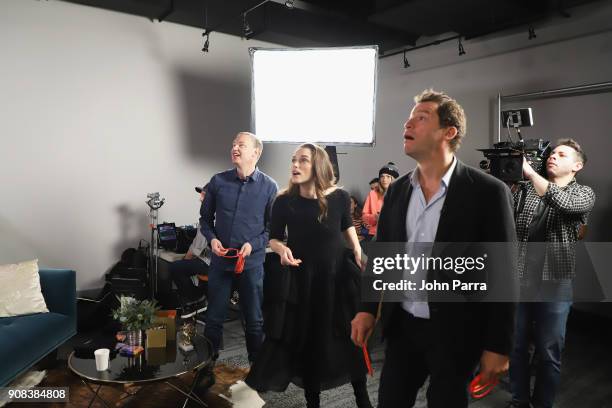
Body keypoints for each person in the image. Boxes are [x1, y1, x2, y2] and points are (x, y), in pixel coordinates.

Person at [351, 89, 517, 408]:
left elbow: (504, 274)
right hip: (402, 329)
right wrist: (367, 309)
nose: (408, 123)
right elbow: (381, 259)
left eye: (421, 117)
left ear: (448, 132)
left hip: (456, 333)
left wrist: (499, 346)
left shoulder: (487, 192)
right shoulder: (398, 190)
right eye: (410, 117)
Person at [245, 143, 372, 408]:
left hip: (337, 278)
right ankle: (312, 400)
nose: (295, 165)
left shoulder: (339, 197)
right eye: (293, 160)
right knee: (310, 342)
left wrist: (359, 251)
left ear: (318, 166)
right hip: (304, 280)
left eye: (303, 160)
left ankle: (362, 397)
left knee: (348, 339)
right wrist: (281, 250)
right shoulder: (283, 201)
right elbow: (275, 238)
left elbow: (347, 226)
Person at [508, 139, 595, 408]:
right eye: (552, 153)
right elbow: (505, 214)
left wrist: (530, 173)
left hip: (556, 283)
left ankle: (543, 404)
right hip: (521, 279)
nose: (552, 157)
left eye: (562, 154)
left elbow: (563, 203)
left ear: (577, 165)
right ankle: (519, 401)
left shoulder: (584, 193)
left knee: (549, 352)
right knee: (517, 347)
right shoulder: (526, 189)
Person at [200, 132, 278, 362]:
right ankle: (207, 369)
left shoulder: (269, 187)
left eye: (241, 145)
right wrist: (212, 240)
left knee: (254, 320)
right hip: (220, 263)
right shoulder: (217, 181)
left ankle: (257, 371)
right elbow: (205, 219)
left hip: (251, 264)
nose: (234, 148)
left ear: (256, 152)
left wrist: (251, 245)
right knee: (213, 318)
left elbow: (272, 230)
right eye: (233, 144)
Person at [170, 184, 211, 318]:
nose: (200, 199)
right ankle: (197, 299)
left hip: (211, 263)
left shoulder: (210, 216)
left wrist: (187, 257)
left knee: (176, 268)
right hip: (218, 263)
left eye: (203, 195)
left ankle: (197, 299)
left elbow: (198, 245)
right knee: (184, 266)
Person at [362, 163, 399, 240]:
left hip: (395, 233)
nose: (384, 179)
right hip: (375, 233)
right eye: (382, 176)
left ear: (394, 178)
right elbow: (364, 216)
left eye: (388, 176)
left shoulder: (401, 193)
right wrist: (375, 218)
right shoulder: (372, 193)